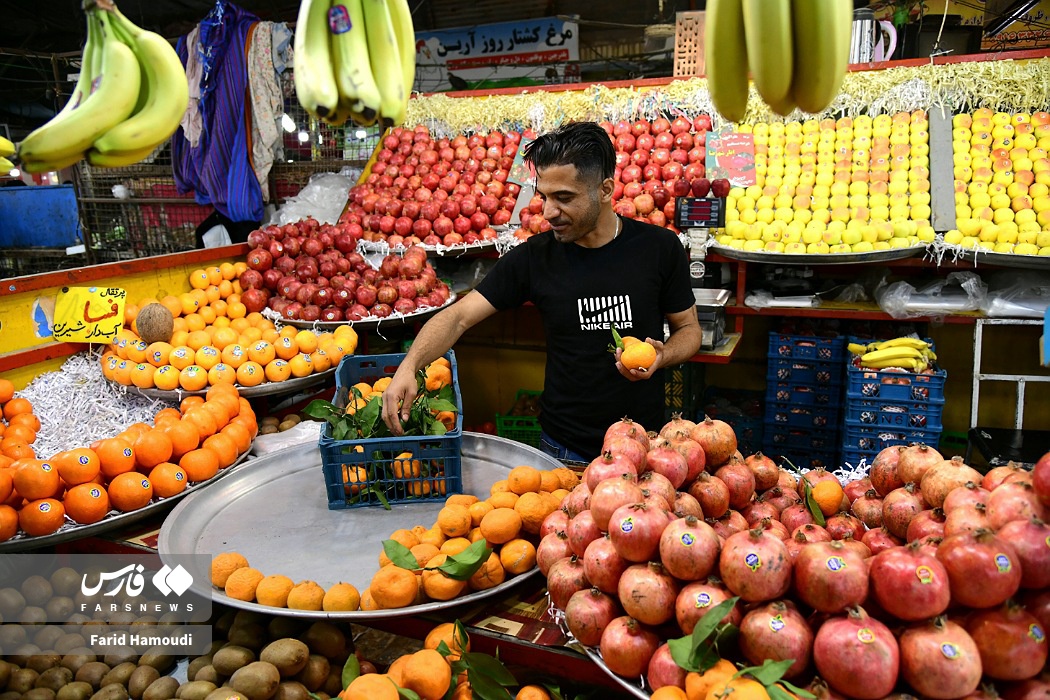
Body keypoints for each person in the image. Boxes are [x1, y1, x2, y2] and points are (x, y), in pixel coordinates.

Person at [381, 121, 702, 461]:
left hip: (643, 446)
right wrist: (409, 365)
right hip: (563, 448)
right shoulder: (535, 257)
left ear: (605, 190)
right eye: (544, 197)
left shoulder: (659, 249)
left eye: (564, 198)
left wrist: (664, 355)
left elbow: (689, 329)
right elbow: (458, 317)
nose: (549, 212)